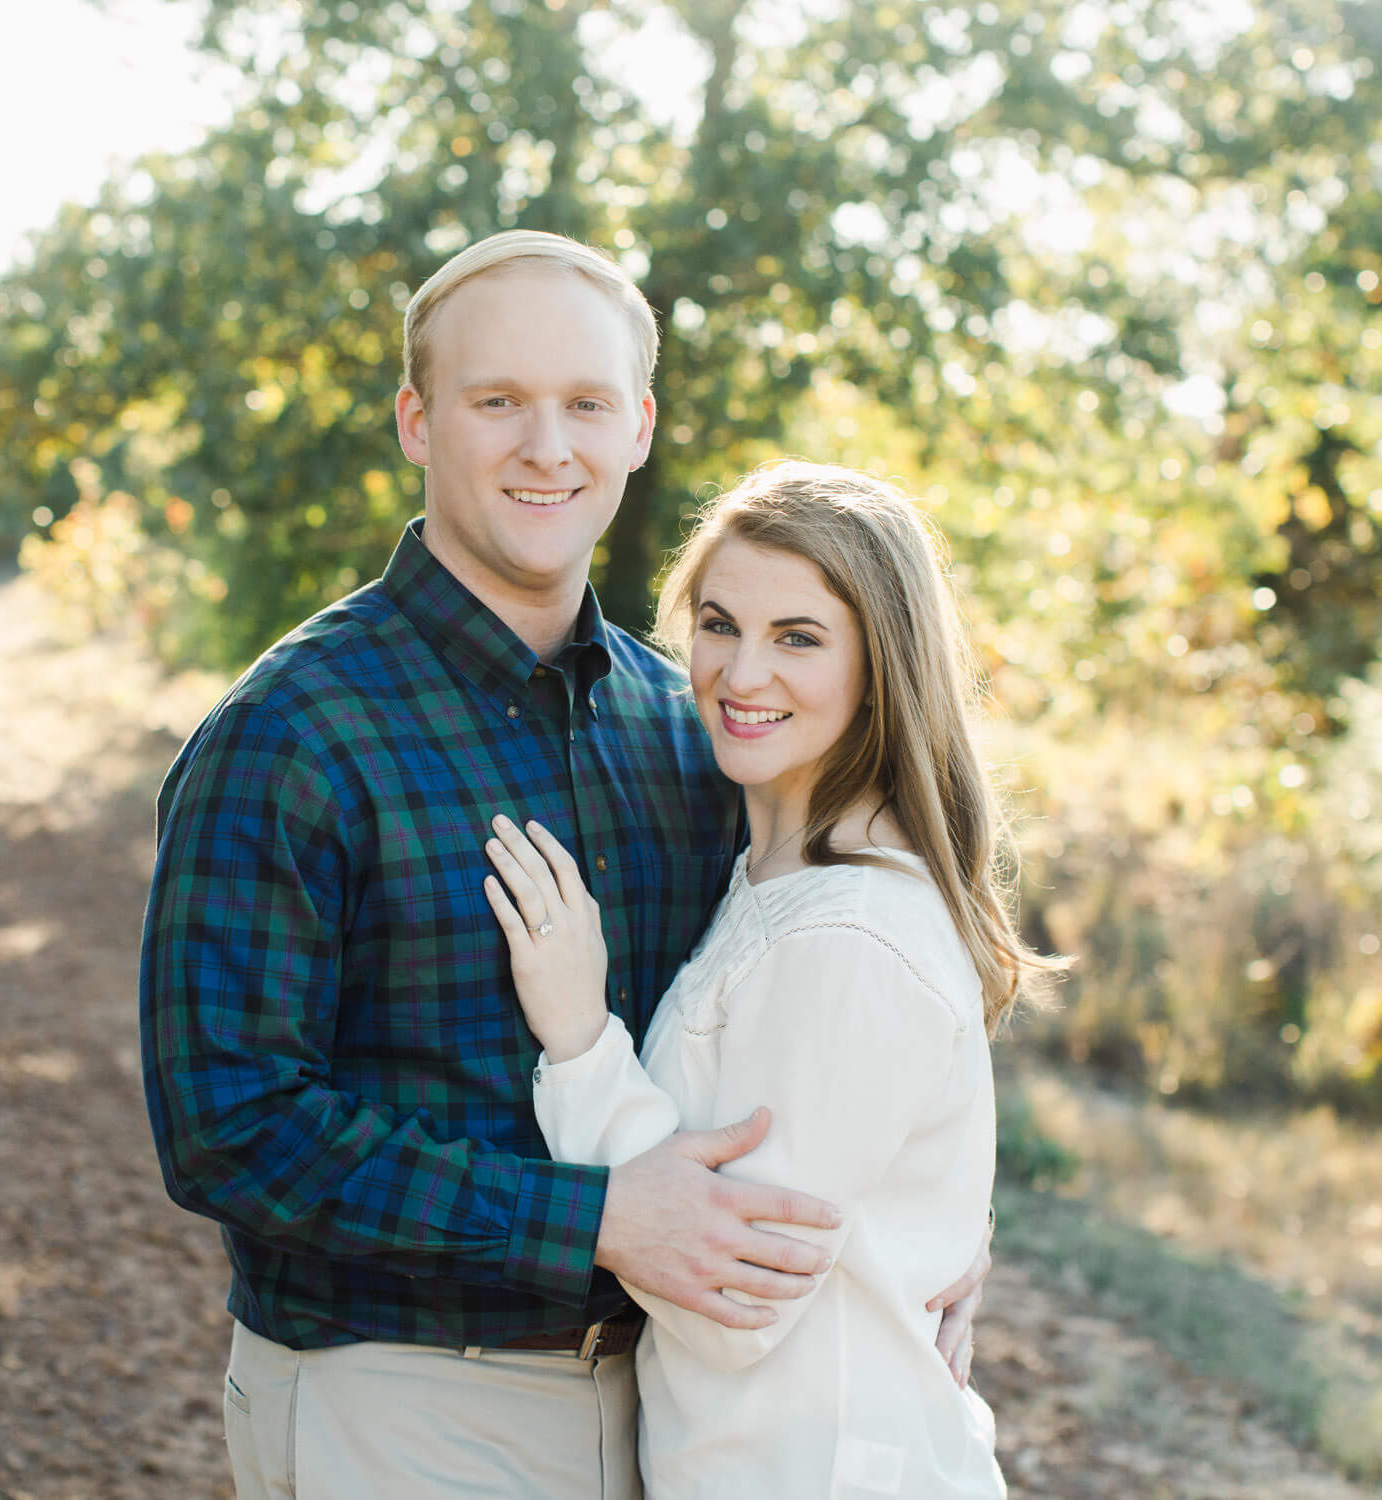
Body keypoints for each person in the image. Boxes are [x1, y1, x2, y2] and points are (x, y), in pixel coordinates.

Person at [139, 232, 991, 1500]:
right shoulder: (295, 733)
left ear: (638, 426)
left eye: (584, 403)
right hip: (408, 1396)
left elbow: (820, 1017)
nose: (548, 446)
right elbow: (228, 1125)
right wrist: (590, 1218)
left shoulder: (686, 724)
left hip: (675, 1413)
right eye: (498, 403)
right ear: (418, 422)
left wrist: (928, 1227)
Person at [481, 460, 1063, 1498]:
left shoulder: (852, 936)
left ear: (879, 666)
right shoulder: (771, 875)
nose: (740, 674)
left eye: (797, 637)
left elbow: (728, 1299)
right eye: (717, 623)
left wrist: (578, 1040)